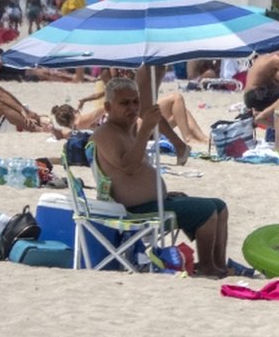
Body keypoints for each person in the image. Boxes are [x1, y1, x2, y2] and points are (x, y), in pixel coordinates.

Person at [90, 77, 229, 278]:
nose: (132, 107)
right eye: (124, 103)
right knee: (206, 210)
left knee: (219, 206)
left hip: (153, 202)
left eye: (135, 101)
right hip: (135, 211)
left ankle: (218, 264)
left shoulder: (126, 131)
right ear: (108, 107)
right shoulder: (106, 134)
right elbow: (128, 166)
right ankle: (207, 266)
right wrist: (145, 130)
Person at [0, 44, 42, 131]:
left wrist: (24, 110)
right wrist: (23, 111)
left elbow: (4, 93)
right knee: (2, 105)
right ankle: (37, 129)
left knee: (8, 104)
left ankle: (37, 123)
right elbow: (0, 95)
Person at [243, 46, 279, 112]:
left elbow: (277, 81)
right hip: (256, 95)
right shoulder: (278, 60)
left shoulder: (267, 55)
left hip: (249, 96)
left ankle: (259, 111)